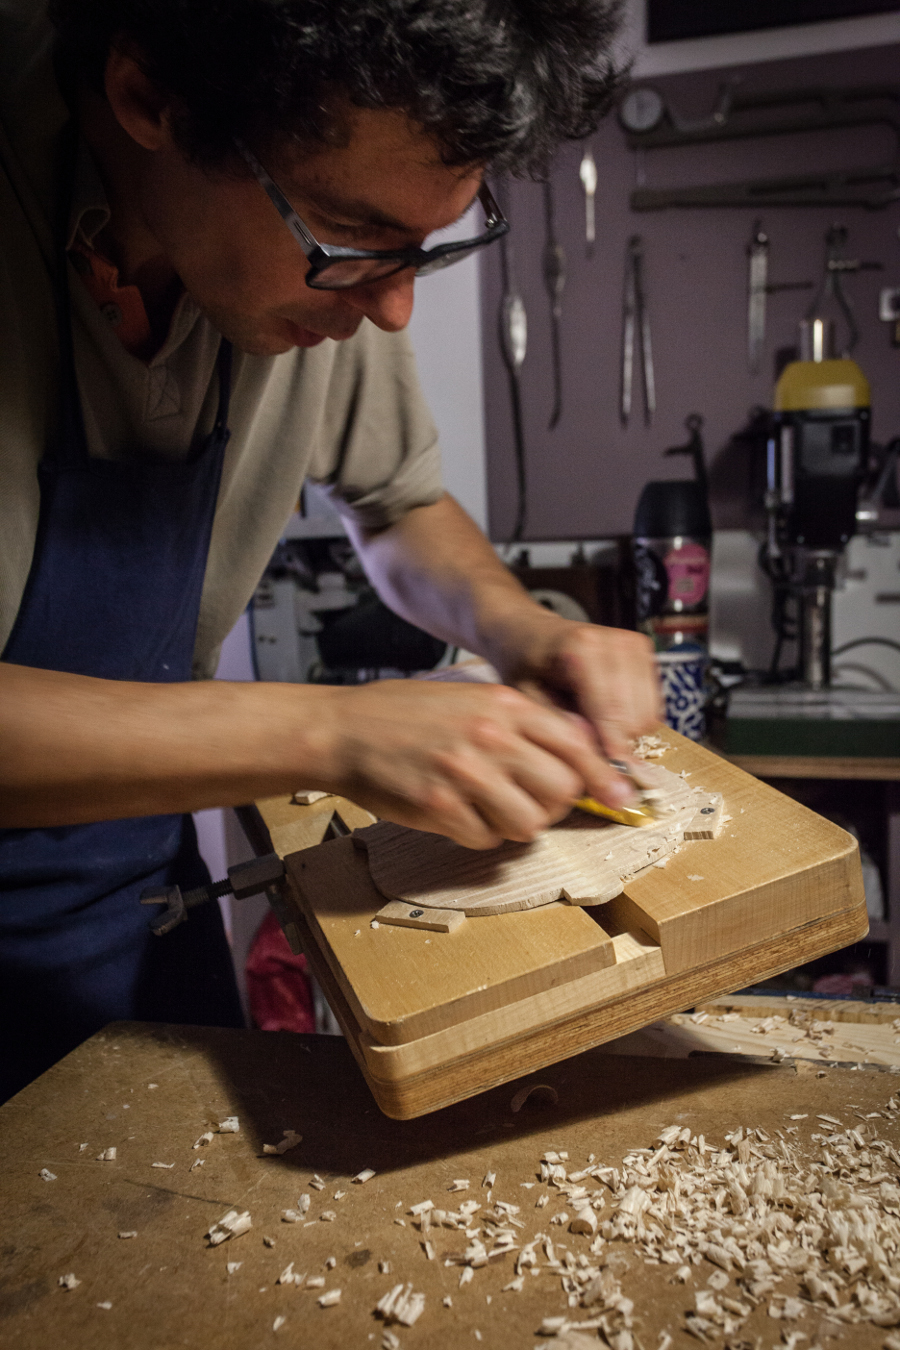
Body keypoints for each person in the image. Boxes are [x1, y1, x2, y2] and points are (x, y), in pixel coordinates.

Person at [0, 0, 661, 1100]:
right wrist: (329, 730)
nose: (395, 309)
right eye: (353, 241)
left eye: (423, 250)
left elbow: (398, 508)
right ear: (148, 99)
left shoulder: (322, 266)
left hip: (132, 904)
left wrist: (525, 631)